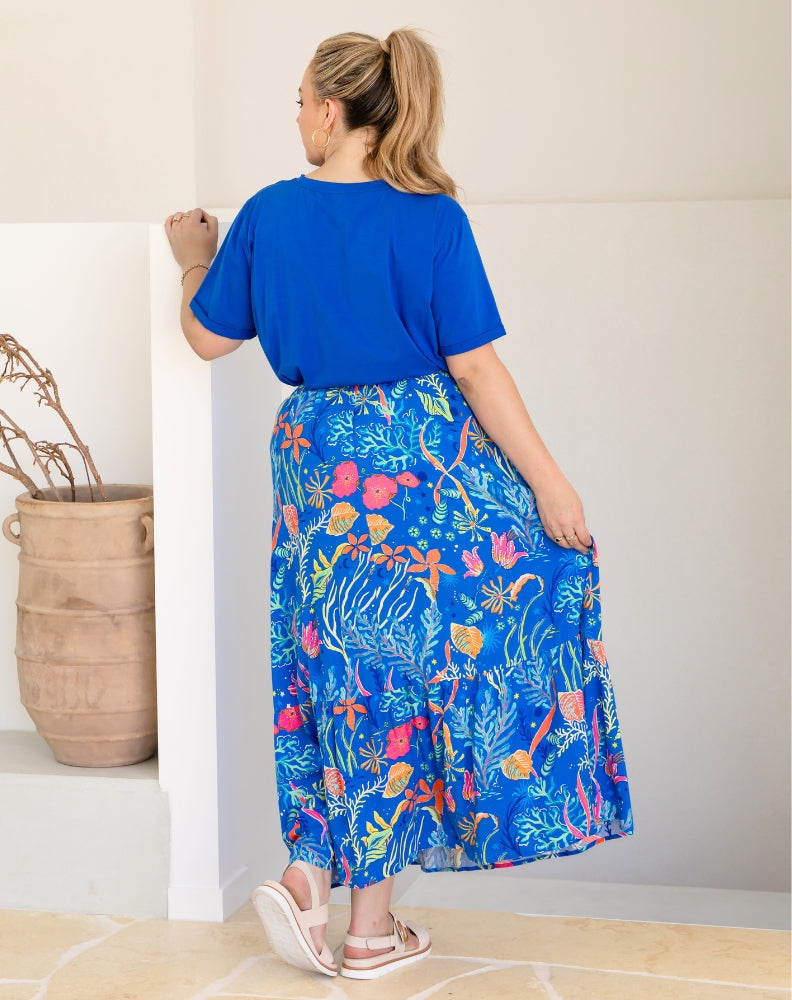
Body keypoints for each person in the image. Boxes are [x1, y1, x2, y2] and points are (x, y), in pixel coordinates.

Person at [165, 28, 635, 981]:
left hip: (319, 464)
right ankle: (362, 924)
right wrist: (551, 485)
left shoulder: (269, 215)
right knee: (431, 663)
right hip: (426, 461)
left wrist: (193, 261)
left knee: (339, 665)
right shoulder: (433, 220)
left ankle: (322, 879)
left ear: (331, 112)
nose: (298, 116)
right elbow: (477, 369)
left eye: (301, 100)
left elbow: (207, 340)